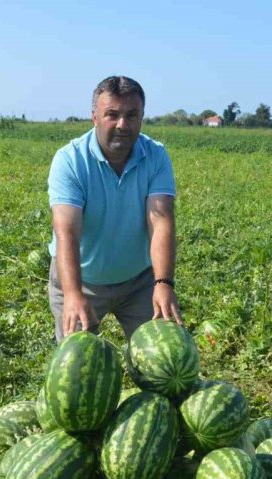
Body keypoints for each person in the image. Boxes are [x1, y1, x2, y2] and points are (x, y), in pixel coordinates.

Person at [47, 75, 182, 342]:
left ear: (141, 118)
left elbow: (161, 221)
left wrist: (163, 283)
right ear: (94, 117)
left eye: (132, 115)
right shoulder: (70, 160)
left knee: (164, 360)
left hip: (139, 280)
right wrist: (73, 295)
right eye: (112, 114)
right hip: (81, 279)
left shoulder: (155, 155)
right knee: (78, 370)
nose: (122, 124)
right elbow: (67, 233)